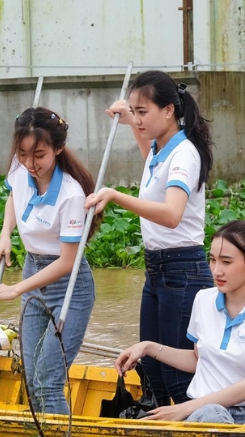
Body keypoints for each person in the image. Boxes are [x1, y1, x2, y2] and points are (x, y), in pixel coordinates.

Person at [84, 70, 214, 407]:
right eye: (135, 111)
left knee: (176, 373)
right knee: (152, 369)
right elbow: (152, 162)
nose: (138, 119)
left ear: (168, 110)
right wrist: (130, 122)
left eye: (143, 112)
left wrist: (114, 195)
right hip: (157, 269)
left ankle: (193, 433)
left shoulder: (184, 153)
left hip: (182, 270)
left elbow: (171, 215)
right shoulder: (161, 147)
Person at [114, 220, 245, 425]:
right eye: (213, 260)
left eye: (226, 262)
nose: (217, 270)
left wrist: (183, 409)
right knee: (211, 413)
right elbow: (198, 360)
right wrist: (147, 347)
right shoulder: (203, 299)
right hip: (205, 413)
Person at [0, 107, 97, 415]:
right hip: (33, 269)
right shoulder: (20, 170)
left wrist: (15, 290)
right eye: (22, 154)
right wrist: (5, 236)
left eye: (39, 155)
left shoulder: (71, 196)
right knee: (31, 376)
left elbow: (66, 262)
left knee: (48, 380)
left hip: (69, 288)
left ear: (58, 149)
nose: (30, 163)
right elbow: (13, 197)